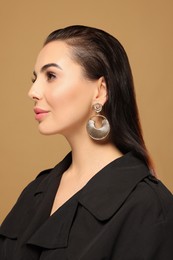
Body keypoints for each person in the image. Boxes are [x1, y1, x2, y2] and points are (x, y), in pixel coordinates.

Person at [0, 25, 173, 260]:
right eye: (35, 78)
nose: (33, 91)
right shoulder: (36, 192)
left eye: (51, 76)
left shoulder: (148, 205)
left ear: (100, 90)